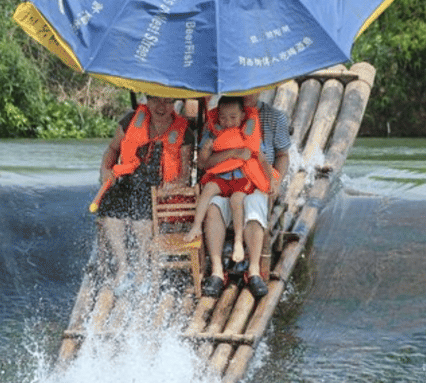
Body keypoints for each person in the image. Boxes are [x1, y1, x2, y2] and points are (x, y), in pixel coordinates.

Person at [94, 95, 194, 289]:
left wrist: (170, 187)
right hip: (128, 180)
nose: (161, 106)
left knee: (142, 214)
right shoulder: (131, 120)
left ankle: (141, 266)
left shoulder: (185, 133)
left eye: (167, 101)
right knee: (109, 208)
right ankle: (123, 266)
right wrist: (106, 170)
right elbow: (113, 150)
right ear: (146, 100)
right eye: (156, 100)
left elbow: (184, 174)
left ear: (175, 104)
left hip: (158, 188)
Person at [198, 92, 291, 299]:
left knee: (255, 202)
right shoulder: (216, 118)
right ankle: (216, 271)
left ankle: (254, 271)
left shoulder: (275, 117)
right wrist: (231, 153)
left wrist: (274, 183)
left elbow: (283, 156)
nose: (248, 92)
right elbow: (203, 163)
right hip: (224, 182)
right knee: (213, 205)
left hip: (255, 184)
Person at [184, 97, 272, 267]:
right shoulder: (213, 132)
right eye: (223, 118)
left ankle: (238, 241)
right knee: (208, 188)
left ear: (241, 117)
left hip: (241, 179)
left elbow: (262, 158)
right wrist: (207, 148)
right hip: (222, 178)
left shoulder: (248, 132)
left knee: (236, 200)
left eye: (233, 118)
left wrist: (272, 182)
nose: (228, 122)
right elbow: (202, 162)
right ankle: (196, 226)